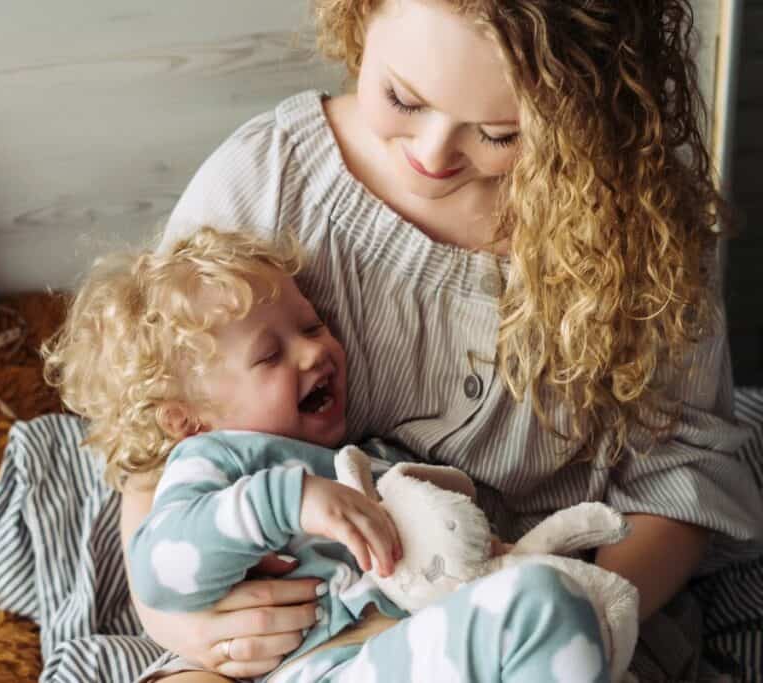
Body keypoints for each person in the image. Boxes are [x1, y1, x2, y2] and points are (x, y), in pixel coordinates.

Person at [117, 1, 763, 681]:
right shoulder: (270, 177)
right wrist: (180, 623)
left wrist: (574, 599)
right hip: (296, 641)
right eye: (403, 97)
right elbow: (154, 447)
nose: (433, 154)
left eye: (498, 133)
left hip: (530, 614)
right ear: (359, 19)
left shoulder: (639, 230)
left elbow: (683, 478)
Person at [43, 225, 615, 681]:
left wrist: (494, 557)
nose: (313, 351)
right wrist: (287, 502)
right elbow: (161, 568)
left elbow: (447, 552)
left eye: (312, 325)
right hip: (324, 667)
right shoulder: (216, 463)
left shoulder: (375, 462)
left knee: (547, 603)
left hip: (413, 650)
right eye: (270, 356)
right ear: (188, 419)